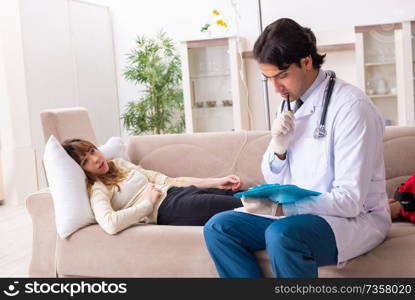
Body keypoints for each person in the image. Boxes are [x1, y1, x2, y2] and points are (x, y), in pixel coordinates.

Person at [203, 18, 391, 278]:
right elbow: (276, 178)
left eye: (282, 76)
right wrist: (279, 147)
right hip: (299, 215)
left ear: (306, 61)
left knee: (283, 235)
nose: (276, 88)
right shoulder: (290, 101)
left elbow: (349, 202)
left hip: (353, 220)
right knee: (219, 227)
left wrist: (281, 209)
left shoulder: (351, 107)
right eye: (268, 79)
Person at [62, 138, 243, 235]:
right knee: (245, 205)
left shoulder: (119, 164)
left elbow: (170, 181)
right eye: (86, 161)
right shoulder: (98, 189)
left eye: (92, 151)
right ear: (82, 170)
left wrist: (216, 182)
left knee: (245, 195)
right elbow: (110, 224)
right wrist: (147, 205)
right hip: (168, 209)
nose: (95, 159)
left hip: (178, 193)